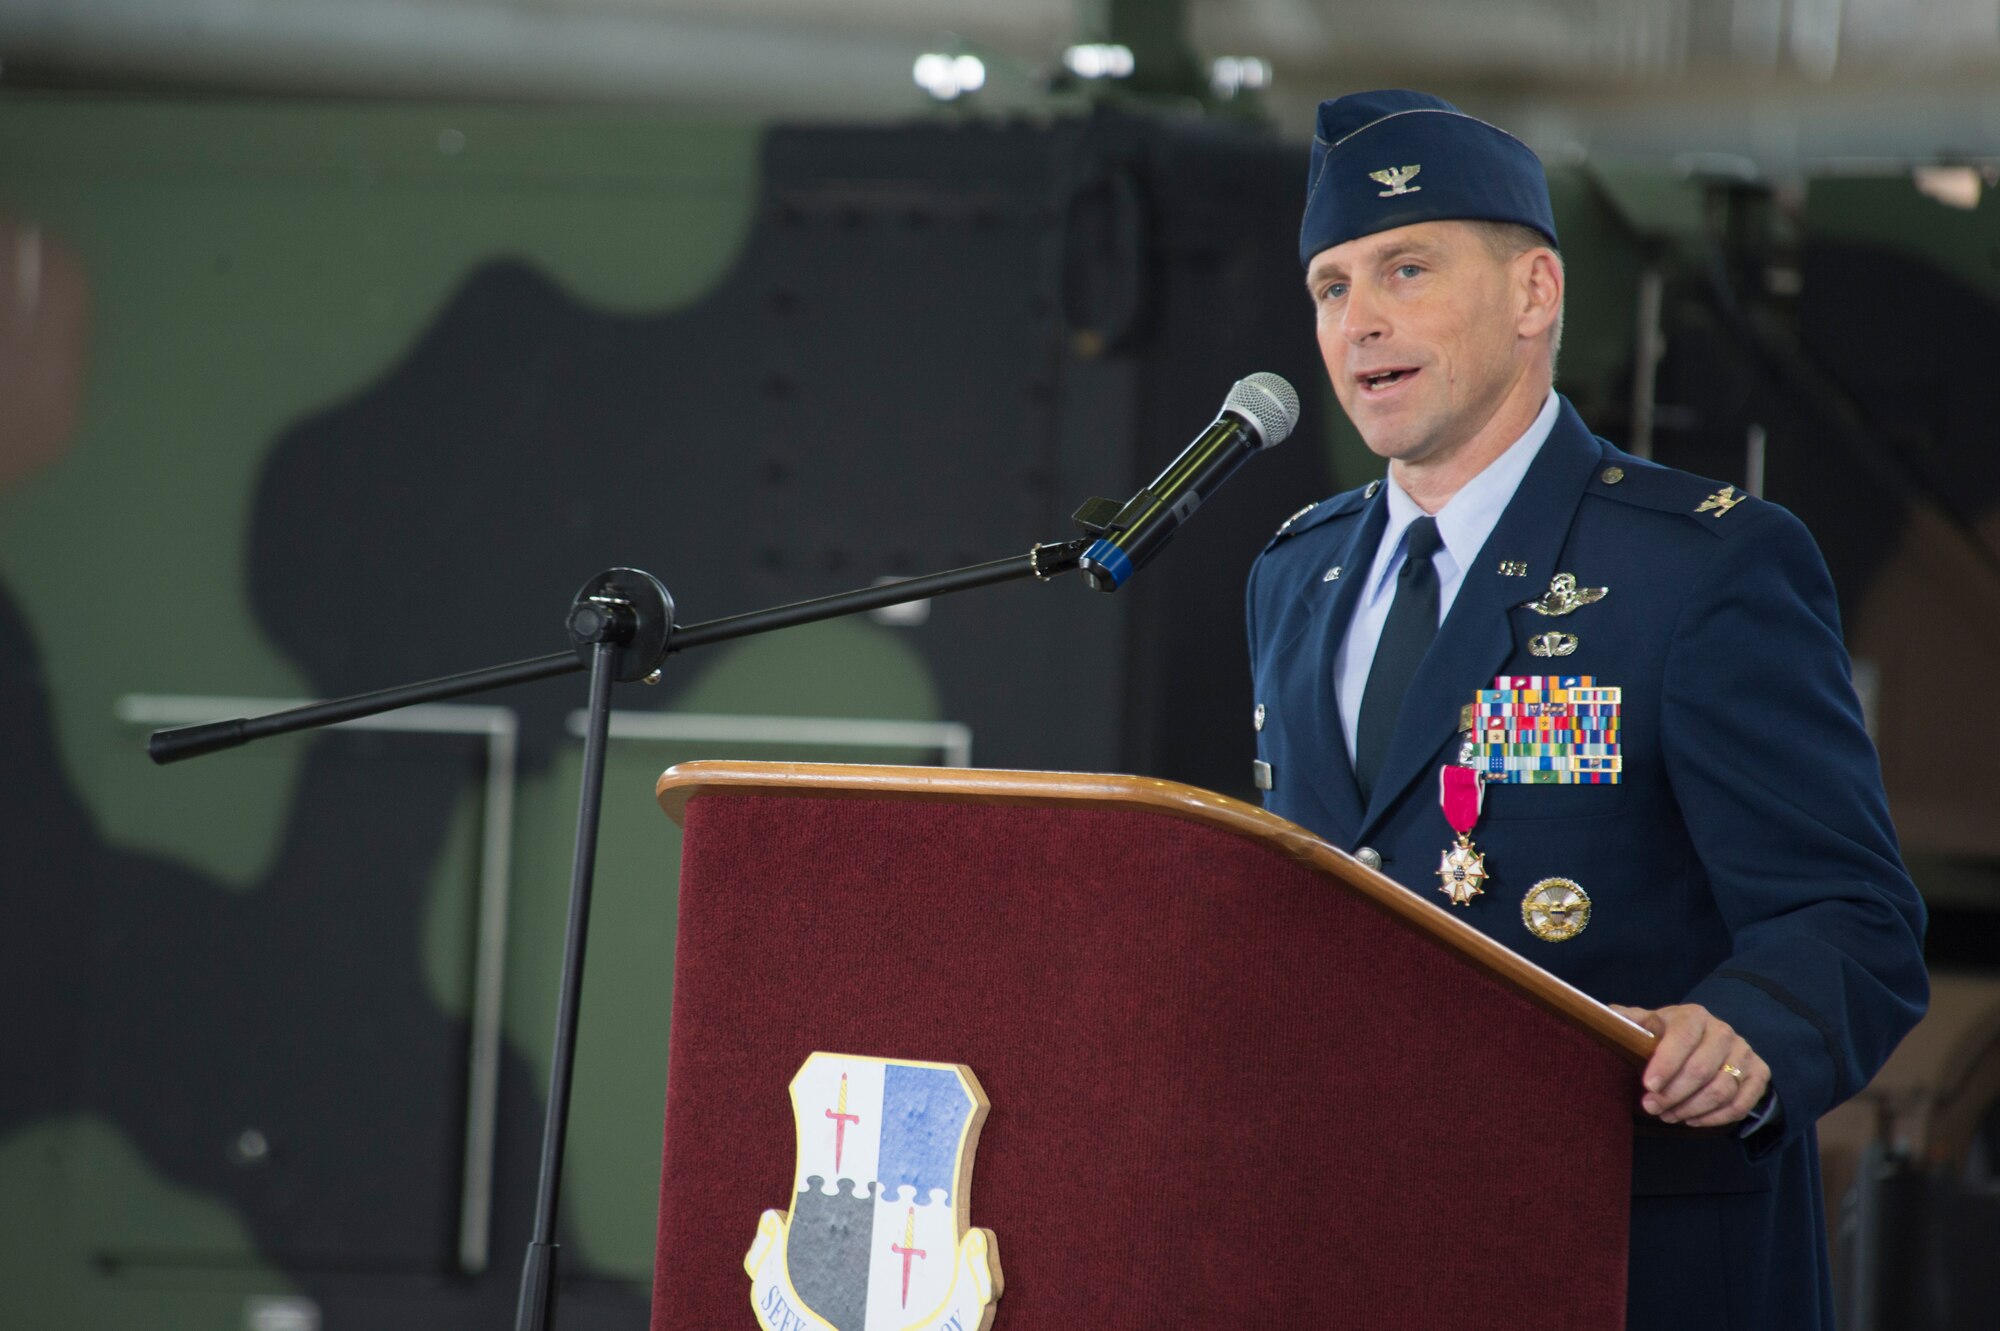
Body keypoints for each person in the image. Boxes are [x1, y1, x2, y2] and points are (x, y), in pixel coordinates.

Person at [1245, 89, 1928, 1329]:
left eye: (1405, 266)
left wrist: (1744, 1028)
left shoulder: (1702, 564)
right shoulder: (1295, 573)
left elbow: (1851, 918)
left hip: (1621, 1244)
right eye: (1332, 287)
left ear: (1533, 293)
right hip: (1346, 1230)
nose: (1360, 320)